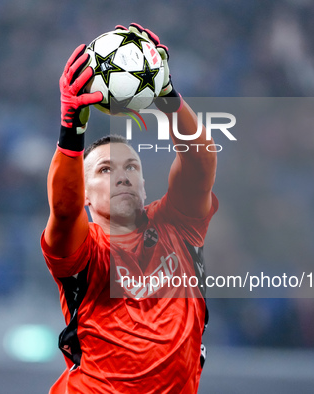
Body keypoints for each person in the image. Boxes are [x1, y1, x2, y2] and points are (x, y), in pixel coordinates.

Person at [41, 23, 218, 393]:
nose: (121, 176)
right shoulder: (85, 253)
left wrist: (167, 96)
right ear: (85, 193)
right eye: (105, 170)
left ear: (143, 183)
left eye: (131, 167)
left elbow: (201, 164)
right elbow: (63, 210)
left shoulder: (177, 226)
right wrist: (72, 129)